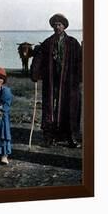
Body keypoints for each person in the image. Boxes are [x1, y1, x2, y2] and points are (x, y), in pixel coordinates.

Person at [30, 13, 82, 148]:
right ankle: (49, 137)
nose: (57, 27)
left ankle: (71, 137)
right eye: (55, 25)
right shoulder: (47, 43)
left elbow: (80, 61)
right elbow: (39, 58)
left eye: (59, 25)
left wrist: (80, 76)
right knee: (49, 108)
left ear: (64, 26)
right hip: (51, 81)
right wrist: (35, 73)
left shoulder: (73, 43)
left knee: (70, 107)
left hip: (69, 82)